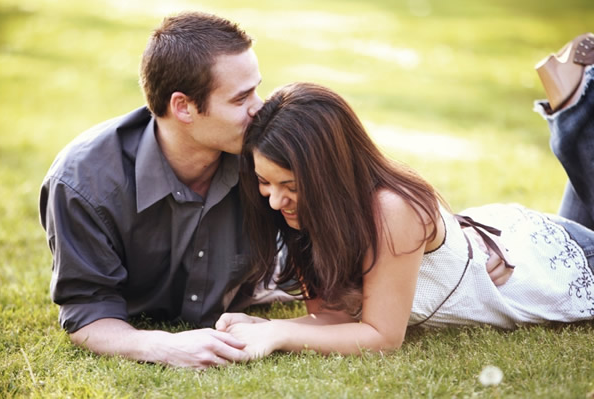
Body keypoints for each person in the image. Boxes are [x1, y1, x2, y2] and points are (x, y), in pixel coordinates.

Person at [215, 34, 594, 360]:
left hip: (552, 264)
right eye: (266, 183)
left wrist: (279, 334)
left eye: (292, 186)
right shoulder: (311, 216)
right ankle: (576, 108)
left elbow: (381, 336)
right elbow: (334, 318)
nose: (274, 202)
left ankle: (578, 107)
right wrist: (264, 327)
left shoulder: (392, 211)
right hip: (496, 244)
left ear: (329, 174)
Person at [39, 11, 271, 369]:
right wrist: (161, 346)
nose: (261, 108)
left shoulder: (268, 154)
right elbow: (87, 310)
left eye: (257, 89)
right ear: (183, 107)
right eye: (241, 99)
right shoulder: (81, 183)